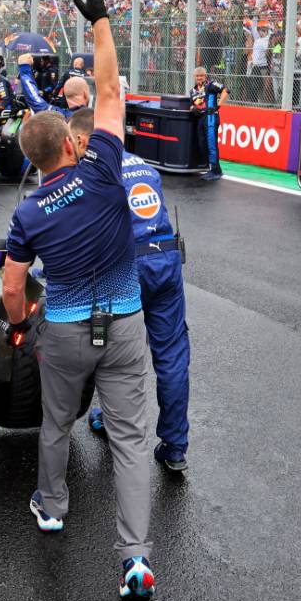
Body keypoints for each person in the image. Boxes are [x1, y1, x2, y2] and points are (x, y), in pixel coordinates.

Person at [0, 0, 155, 600]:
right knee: (130, 437)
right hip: (123, 322)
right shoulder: (101, 166)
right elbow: (112, 89)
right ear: (71, 142)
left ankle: (53, 507)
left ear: (32, 161)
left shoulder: (28, 214)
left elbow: (13, 287)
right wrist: (99, 22)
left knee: (57, 423)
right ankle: (136, 557)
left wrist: (20, 323)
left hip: (62, 330)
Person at [68, 107, 191, 471]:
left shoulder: (88, 173)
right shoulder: (144, 165)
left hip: (121, 271)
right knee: (171, 354)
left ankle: (111, 422)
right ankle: (175, 446)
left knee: (107, 347)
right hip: (166, 263)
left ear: (82, 140)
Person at [17, 53, 89, 117]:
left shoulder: (56, 71)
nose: (41, 63)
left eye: (42, 61)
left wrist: (48, 93)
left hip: (47, 98)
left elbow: (55, 86)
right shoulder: (94, 117)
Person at [191, 67, 229, 181]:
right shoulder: (193, 91)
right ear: (194, 77)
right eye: (197, 76)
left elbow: (226, 90)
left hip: (211, 117)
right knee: (202, 144)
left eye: (201, 75)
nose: (199, 78)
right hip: (201, 119)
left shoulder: (211, 85)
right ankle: (210, 168)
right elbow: (191, 104)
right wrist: (193, 108)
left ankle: (216, 171)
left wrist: (218, 105)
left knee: (211, 144)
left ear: (205, 76)